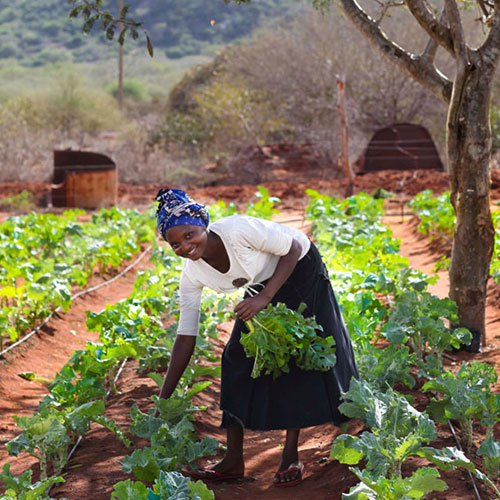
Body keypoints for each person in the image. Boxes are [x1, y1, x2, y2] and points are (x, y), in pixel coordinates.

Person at [155, 187, 358, 487]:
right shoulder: (192, 274)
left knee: (296, 353)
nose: (185, 247)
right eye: (175, 244)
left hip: (300, 268)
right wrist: (164, 398)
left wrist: (264, 297)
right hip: (261, 285)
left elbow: (291, 249)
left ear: (203, 225)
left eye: (189, 235)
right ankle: (233, 459)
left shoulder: (237, 231)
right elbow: (186, 337)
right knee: (235, 358)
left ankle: (290, 454)